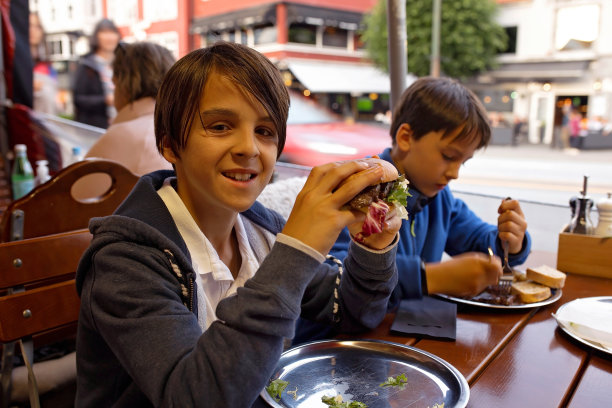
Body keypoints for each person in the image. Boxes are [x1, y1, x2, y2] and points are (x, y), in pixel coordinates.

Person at [74, 41, 402, 407]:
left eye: (265, 131)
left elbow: (356, 311)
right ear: (169, 145)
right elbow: (197, 397)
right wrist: (298, 248)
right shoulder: (125, 259)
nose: (248, 147)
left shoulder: (261, 230)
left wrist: (374, 246)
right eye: (220, 126)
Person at [332, 76, 530, 303]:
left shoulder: (438, 197)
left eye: (463, 162)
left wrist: (510, 243)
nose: (455, 173)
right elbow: (336, 276)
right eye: (448, 156)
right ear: (405, 138)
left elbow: (477, 238)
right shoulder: (364, 188)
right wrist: (428, 278)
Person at [84, 41, 174, 174]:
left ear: (123, 84)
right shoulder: (178, 126)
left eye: (114, 85)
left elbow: (76, 191)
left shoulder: (121, 135)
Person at [72, 18, 120, 128]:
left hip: (120, 125)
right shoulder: (87, 65)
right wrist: (105, 100)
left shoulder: (123, 64)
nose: (109, 37)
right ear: (96, 37)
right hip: (97, 125)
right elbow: (78, 99)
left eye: (112, 33)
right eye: (104, 32)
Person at [29, 12, 59, 114]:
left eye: (37, 27)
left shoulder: (47, 66)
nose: (32, 30)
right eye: (29, 25)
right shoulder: (17, 62)